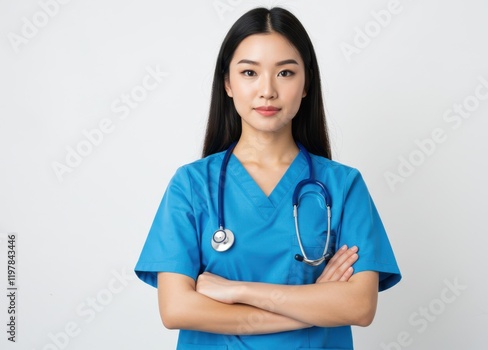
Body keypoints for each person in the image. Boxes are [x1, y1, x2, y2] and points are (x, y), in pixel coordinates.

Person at [135, 6, 401, 349]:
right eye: (249, 73)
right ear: (228, 83)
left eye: (286, 73)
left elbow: (360, 307)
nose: (267, 90)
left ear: (306, 84)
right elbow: (176, 309)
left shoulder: (343, 186)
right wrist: (314, 302)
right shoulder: (191, 185)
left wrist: (237, 291)